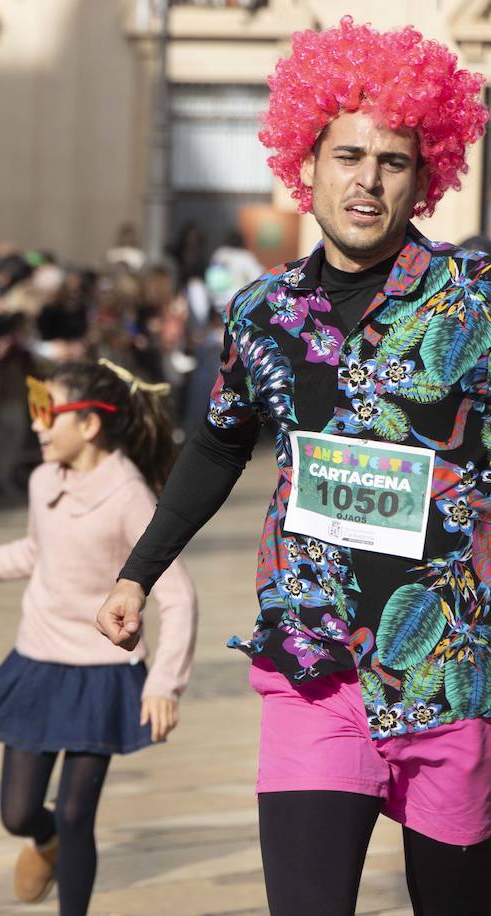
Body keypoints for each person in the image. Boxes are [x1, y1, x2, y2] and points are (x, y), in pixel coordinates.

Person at [95, 19, 491, 916]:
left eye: (392, 161)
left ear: (426, 174)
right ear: (303, 165)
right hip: (314, 666)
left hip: (453, 669)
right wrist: (138, 572)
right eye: (346, 155)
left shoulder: (475, 302)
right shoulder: (263, 310)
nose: (367, 179)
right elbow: (219, 442)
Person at [0, 361, 196, 914]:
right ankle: (44, 844)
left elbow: (177, 594)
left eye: (48, 412)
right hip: (37, 661)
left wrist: (165, 683)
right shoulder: (44, 481)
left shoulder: (129, 494)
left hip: (103, 673)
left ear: (88, 425)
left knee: (75, 812)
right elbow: (37, 554)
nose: (37, 425)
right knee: (18, 813)